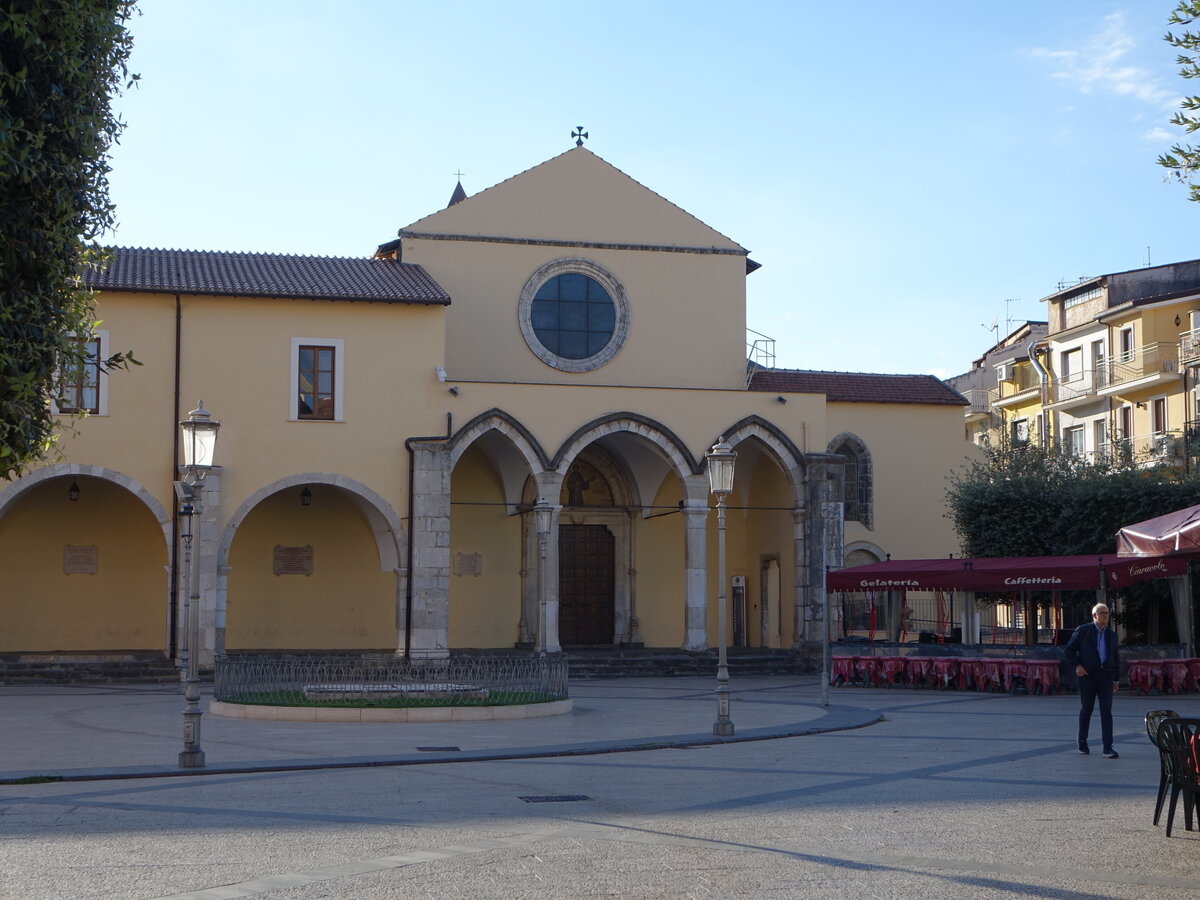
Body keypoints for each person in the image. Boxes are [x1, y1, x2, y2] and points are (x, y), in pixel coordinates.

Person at [1064, 602, 1120, 758]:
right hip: (1088, 676)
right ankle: (1082, 742)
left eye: (1107, 613)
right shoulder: (1084, 631)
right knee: (1087, 709)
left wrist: (1116, 679)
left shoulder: (1111, 635)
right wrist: (1077, 665)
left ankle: (1107, 747)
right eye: (1102, 613)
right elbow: (1068, 650)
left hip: (1106, 677)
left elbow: (1116, 657)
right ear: (1095, 615)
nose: (1105, 616)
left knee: (1106, 711)